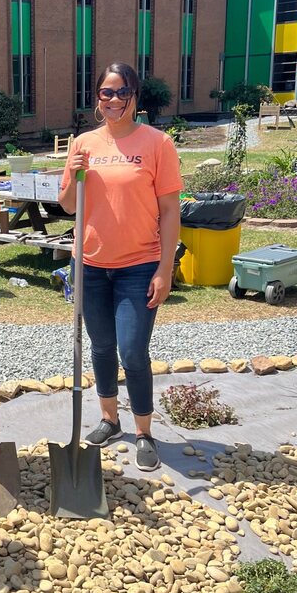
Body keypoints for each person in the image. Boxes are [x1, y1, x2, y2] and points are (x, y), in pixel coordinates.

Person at [59, 62, 182, 471]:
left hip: (138, 265)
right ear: (97, 97)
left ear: (135, 97)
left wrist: (165, 268)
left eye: (122, 92)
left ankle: (144, 432)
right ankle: (110, 419)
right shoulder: (83, 143)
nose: (113, 100)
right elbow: (67, 205)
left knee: (132, 350)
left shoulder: (157, 144)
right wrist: (72, 176)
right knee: (99, 346)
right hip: (90, 264)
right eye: (106, 92)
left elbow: (169, 211)